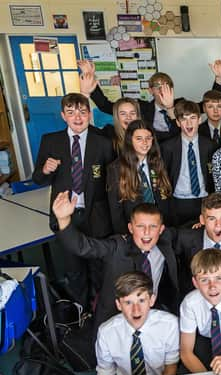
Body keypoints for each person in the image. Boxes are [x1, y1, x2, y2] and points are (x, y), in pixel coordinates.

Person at [32, 93, 114, 308]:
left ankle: (99, 308)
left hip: (96, 215)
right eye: (71, 113)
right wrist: (45, 169)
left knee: (98, 267)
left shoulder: (103, 143)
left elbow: (111, 182)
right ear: (63, 116)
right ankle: (81, 311)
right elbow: (38, 179)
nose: (77, 117)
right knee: (74, 269)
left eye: (82, 112)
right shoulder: (51, 141)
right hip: (65, 215)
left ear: (89, 114)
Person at [52, 194, 179, 331]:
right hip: (115, 317)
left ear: (161, 229)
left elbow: (191, 234)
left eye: (153, 226)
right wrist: (63, 219)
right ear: (130, 228)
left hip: (152, 313)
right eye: (140, 226)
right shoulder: (116, 246)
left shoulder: (166, 241)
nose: (146, 232)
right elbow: (83, 247)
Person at [77, 59, 221, 144]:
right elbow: (105, 106)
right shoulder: (140, 107)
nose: (162, 90)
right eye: (158, 87)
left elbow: (206, 105)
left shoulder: (180, 104)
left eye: (166, 86)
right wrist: (90, 79)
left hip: (177, 150)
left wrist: (218, 80)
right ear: (150, 90)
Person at [95, 272, 179, 375]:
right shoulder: (106, 332)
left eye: (142, 301)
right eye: (128, 302)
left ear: (152, 300)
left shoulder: (169, 324)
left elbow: (171, 365)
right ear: (119, 304)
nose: (136, 310)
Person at [173, 193, 221, 295]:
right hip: (199, 296)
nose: (218, 225)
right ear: (202, 220)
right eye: (212, 218)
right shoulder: (186, 238)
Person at [107, 120, 173, 234]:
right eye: (139, 139)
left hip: (160, 228)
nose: (145, 143)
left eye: (148, 138)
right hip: (133, 231)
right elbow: (115, 209)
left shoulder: (158, 163)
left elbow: (166, 199)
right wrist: (123, 235)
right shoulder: (116, 168)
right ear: (130, 141)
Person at [161, 100, 218, 226]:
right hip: (178, 202)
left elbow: (213, 176)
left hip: (204, 200)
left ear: (199, 120)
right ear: (177, 122)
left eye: (193, 118)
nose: (189, 123)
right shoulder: (168, 147)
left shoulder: (210, 145)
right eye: (184, 119)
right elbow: (163, 178)